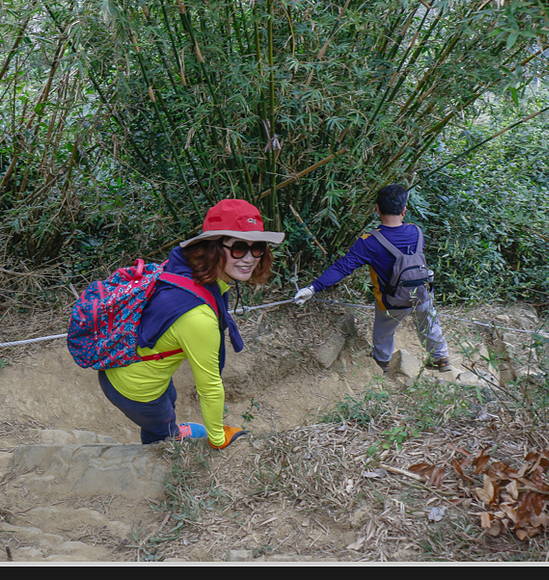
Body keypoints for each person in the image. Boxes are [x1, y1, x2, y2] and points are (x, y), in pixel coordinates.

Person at [98, 199, 284, 449]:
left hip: (131, 368)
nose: (249, 258)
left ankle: (171, 428)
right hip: (134, 390)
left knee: (169, 399)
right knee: (159, 432)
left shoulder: (184, 271)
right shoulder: (197, 316)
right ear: (213, 248)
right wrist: (218, 439)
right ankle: (161, 445)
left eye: (257, 247)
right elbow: (209, 387)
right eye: (239, 248)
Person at [293, 184, 451, 374]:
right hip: (421, 294)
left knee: (384, 331)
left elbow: (342, 267)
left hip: (391, 302)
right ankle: (440, 358)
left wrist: (313, 288)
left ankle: (382, 362)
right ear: (404, 210)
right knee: (428, 322)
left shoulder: (370, 241)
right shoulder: (416, 232)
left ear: (377, 209)